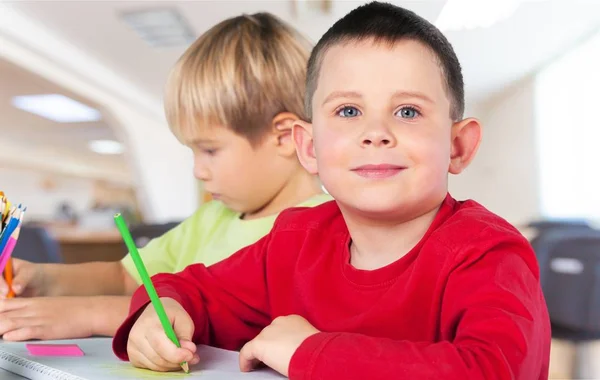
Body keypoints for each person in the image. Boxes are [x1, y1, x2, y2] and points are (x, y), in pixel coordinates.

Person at [113, 2, 551, 379]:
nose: (376, 132)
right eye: (348, 110)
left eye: (407, 110)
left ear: (458, 146)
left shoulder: (489, 254)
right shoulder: (294, 241)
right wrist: (161, 313)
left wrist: (312, 352)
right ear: (308, 147)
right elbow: (194, 290)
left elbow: (492, 370)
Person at [0, 12, 329, 341]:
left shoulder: (326, 230)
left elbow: (227, 318)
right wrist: (40, 277)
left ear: (284, 138)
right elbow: (126, 276)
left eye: (210, 151)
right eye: (193, 152)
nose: (198, 171)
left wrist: (90, 313)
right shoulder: (211, 219)